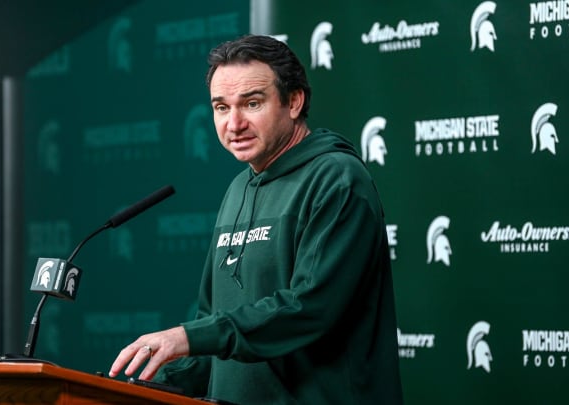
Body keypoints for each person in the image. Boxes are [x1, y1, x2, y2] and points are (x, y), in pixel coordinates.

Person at [109, 34, 403, 405]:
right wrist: (136, 388)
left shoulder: (338, 179)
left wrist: (189, 336)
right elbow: (214, 325)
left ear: (294, 101)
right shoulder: (238, 188)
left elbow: (309, 309)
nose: (234, 123)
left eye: (251, 103)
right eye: (220, 107)